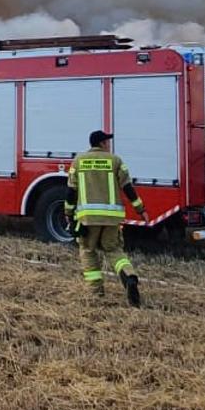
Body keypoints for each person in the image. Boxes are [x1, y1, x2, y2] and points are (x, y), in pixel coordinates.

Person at [66, 129, 147, 306]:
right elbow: (128, 188)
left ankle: (96, 293)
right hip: (111, 219)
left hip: (88, 219)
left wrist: (68, 214)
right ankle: (129, 276)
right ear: (102, 143)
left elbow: (71, 191)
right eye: (107, 141)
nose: (109, 144)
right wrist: (140, 209)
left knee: (88, 251)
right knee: (114, 250)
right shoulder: (115, 161)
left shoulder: (78, 161)